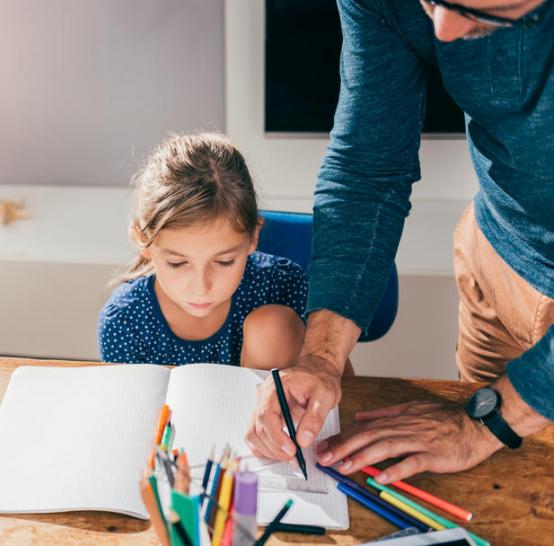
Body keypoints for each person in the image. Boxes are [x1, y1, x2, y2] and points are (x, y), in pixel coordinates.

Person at [246, 0, 553, 486]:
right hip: (492, 255)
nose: (443, 30)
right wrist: (322, 358)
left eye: (492, 9)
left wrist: (485, 424)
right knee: (489, 496)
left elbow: (485, 427)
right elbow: (368, 167)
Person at [98, 132, 307, 369]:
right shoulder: (125, 321)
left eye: (225, 261)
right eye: (177, 263)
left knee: (273, 326)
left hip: (268, 404)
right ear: (144, 242)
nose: (201, 287)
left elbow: (335, 377)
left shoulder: (283, 285)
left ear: (253, 237)